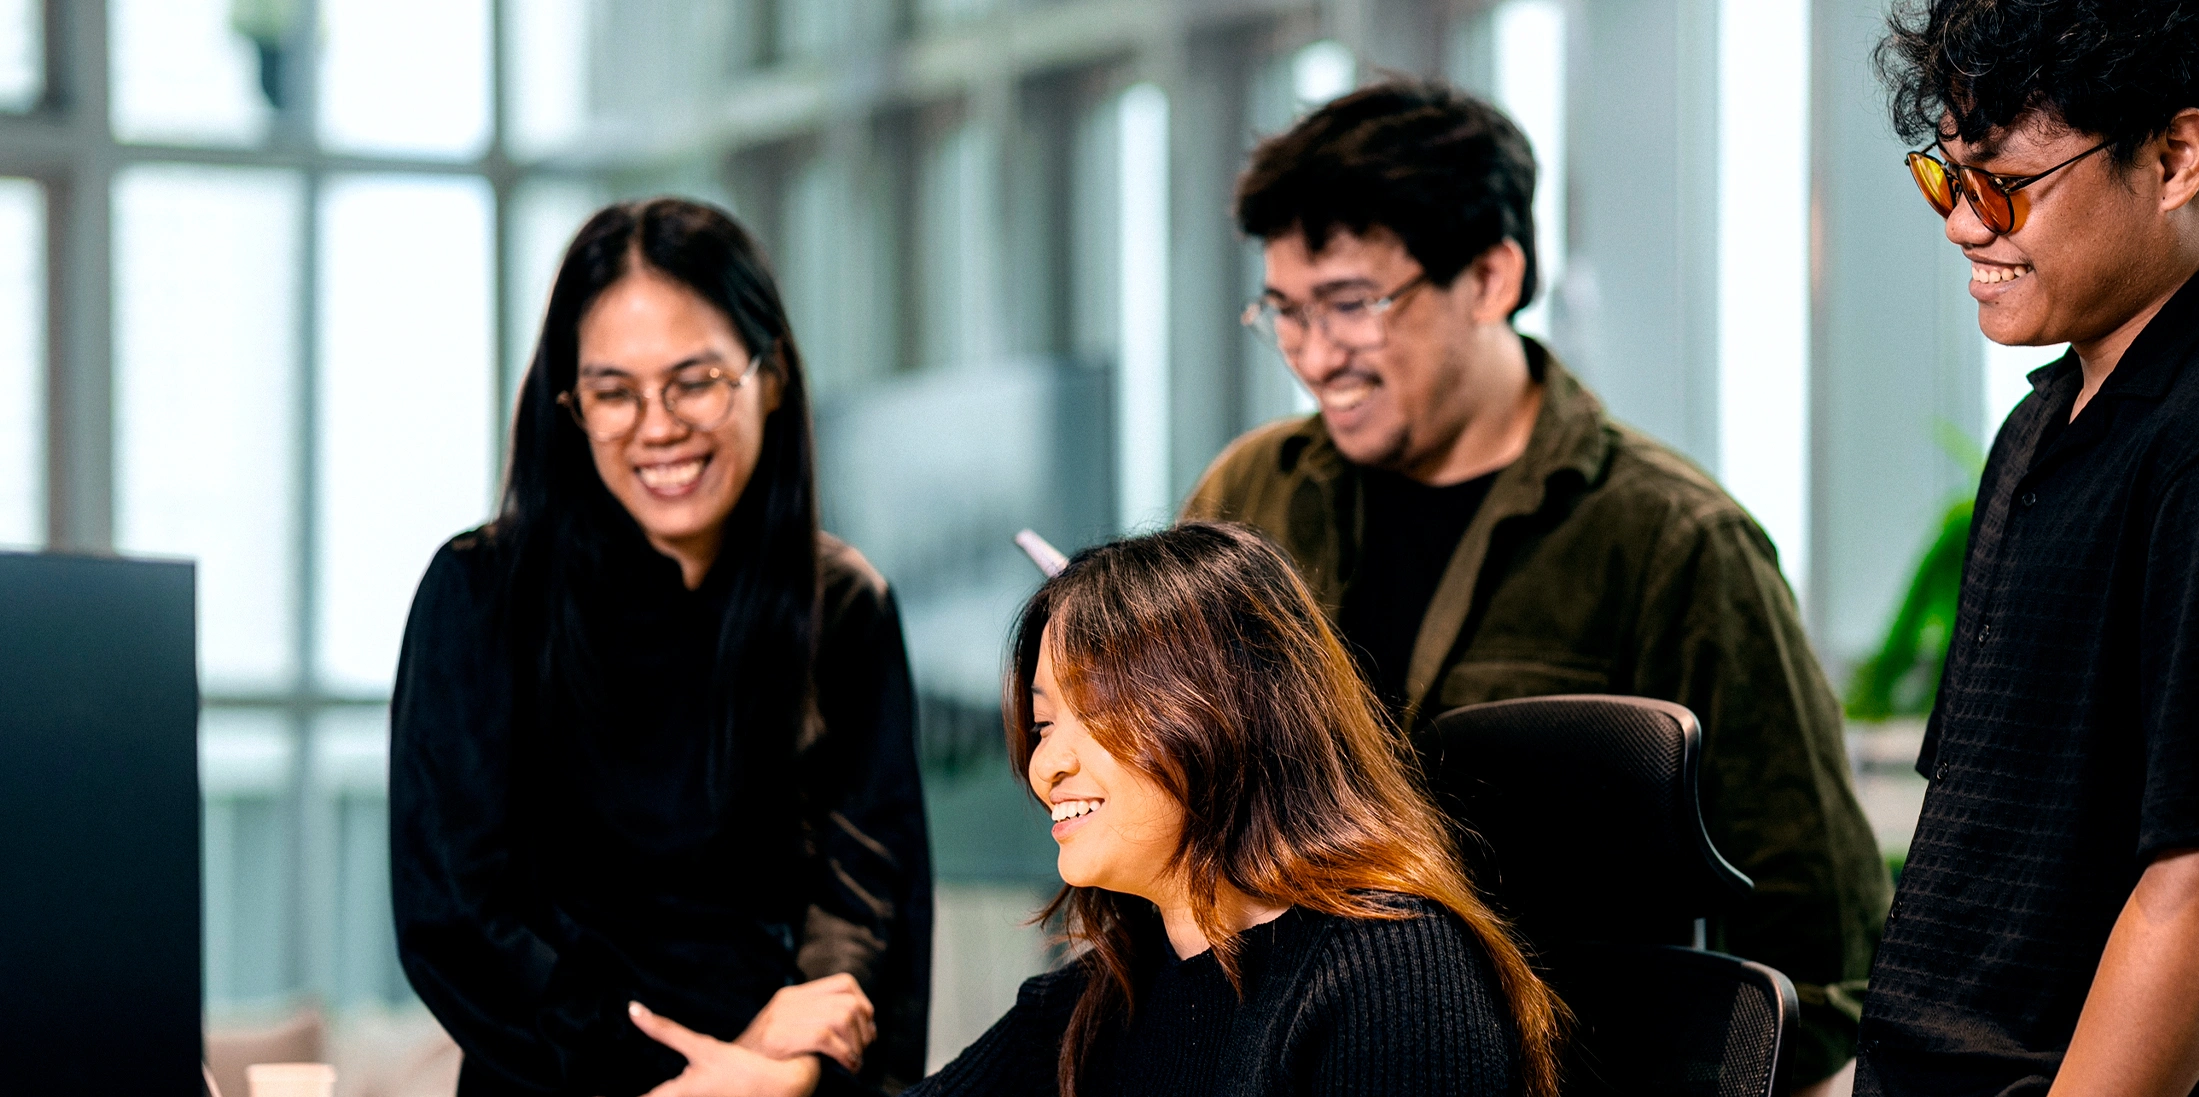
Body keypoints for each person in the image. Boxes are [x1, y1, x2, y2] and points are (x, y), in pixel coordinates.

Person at [1181, 79, 1888, 1092]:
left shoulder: (1672, 539)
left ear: (1490, 275)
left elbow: (1818, 939)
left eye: (1350, 304)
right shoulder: (1250, 496)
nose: (1315, 354)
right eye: (1286, 312)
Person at [1856, 3, 2199, 1095]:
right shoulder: (2045, 424)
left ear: (2175, 159)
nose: (1962, 225)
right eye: (1947, 179)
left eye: (2004, 184)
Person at [391, 198, 933, 1097]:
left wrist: (785, 1070)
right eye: (614, 392)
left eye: (696, 380)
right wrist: (695, 1075)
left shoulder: (844, 606)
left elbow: (871, 907)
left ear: (771, 376)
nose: (658, 425)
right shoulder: (481, 594)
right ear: (571, 406)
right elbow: (458, 918)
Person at [911, 522, 1563, 1097]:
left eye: (1098, 709)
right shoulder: (1101, 995)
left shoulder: (1393, 973)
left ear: (1230, 711)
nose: (1046, 764)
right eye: (1044, 723)